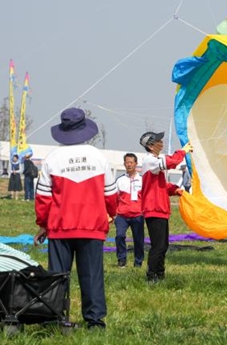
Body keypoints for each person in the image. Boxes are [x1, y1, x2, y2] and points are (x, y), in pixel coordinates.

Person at [34, 108, 117, 330]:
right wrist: (111, 213)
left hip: (60, 227)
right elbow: (111, 194)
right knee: (92, 275)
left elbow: (43, 198)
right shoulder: (98, 157)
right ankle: (95, 320)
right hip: (92, 227)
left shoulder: (53, 158)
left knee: (57, 276)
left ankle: (54, 317)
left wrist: (43, 224)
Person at [139, 131, 192, 283]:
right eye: (158, 141)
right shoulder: (150, 161)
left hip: (160, 209)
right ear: (151, 146)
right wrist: (183, 151)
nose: (161, 143)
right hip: (154, 209)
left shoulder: (155, 162)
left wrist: (175, 190)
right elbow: (171, 162)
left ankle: (160, 275)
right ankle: (152, 276)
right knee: (158, 246)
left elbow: (161, 185)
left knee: (163, 245)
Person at [114, 153, 144, 268]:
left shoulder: (142, 180)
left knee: (138, 239)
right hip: (122, 215)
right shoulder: (120, 180)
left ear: (136, 164)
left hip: (138, 215)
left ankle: (138, 262)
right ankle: (121, 260)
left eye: (131, 162)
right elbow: (114, 197)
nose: (129, 165)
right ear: (124, 164)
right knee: (119, 236)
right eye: (127, 162)